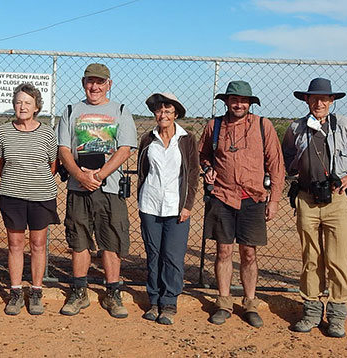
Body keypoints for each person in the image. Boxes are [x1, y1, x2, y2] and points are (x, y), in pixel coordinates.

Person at [282, 78, 347, 338]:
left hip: (338, 199)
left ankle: (337, 315)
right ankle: (312, 310)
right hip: (306, 199)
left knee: (337, 260)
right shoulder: (296, 128)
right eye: (314, 98)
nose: (319, 103)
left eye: (324, 98)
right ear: (306, 100)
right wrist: (295, 169)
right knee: (310, 259)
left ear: (332, 101)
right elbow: (287, 157)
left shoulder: (346, 125)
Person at [198, 81, 285, 327]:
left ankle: (249, 304)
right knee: (223, 251)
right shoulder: (214, 126)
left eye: (244, 101)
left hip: (253, 198)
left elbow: (276, 164)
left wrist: (275, 199)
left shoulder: (262, 125)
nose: (239, 104)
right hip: (222, 196)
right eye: (234, 100)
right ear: (226, 101)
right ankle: (223, 302)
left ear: (250, 103)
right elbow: (203, 154)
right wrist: (207, 168)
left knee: (248, 253)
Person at [57, 63, 137, 318]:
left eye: (100, 82)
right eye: (90, 81)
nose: (95, 87)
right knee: (79, 240)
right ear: (83, 83)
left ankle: (113, 292)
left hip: (110, 188)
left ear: (109, 84)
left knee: (111, 240)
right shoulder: (71, 111)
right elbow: (64, 150)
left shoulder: (121, 111)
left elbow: (125, 148)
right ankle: (79, 292)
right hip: (78, 187)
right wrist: (80, 175)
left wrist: (100, 176)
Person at [0, 83, 59, 316]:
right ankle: (16, 292)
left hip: (41, 196)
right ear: (13, 105)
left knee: (38, 245)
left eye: (28, 102)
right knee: (15, 245)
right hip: (12, 196)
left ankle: (36, 291)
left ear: (36, 106)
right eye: (19, 102)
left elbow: (52, 165)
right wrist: (16, 180)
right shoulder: (3, 132)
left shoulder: (47, 132)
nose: (22, 106)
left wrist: (34, 181)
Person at [137, 93, 199, 325]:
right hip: (150, 204)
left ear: (176, 114)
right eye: (159, 110)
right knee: (154, 255)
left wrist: (188, 205)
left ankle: (170, 302)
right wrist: (140, 201)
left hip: (177, 207)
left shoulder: (186, 139)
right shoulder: (147, 139)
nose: (163, 115)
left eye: (168, 110)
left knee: (172, 256)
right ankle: (154, 300)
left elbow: (193, 174)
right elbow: (143, 172)